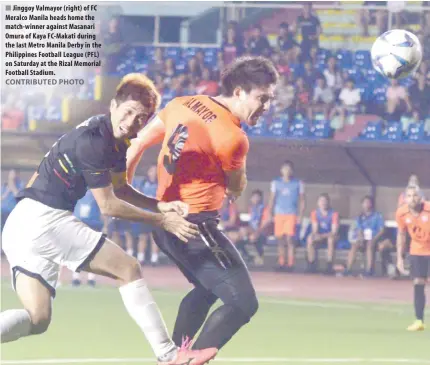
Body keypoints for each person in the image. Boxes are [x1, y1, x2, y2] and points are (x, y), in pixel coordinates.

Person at [0, 73, 217, 365]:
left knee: (38, 319)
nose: (131, 122)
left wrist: (160, 205)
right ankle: (169, 354)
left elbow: (121, 188)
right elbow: (109, 206)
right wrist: (162, 221)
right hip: (43, 219)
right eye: (128, 112)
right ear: (113, 105)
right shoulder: (93, 141)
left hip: (20, 224)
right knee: (128, 269)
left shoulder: (117, 142)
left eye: (141, 118)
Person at [126, 56, 279, 353]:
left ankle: (173, 356)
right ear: (239, 92)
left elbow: (137, 144)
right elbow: (236, 185)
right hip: (194, 227)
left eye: (270, 99)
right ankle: (181, 361)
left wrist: (123, 188)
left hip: (165, 223)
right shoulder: (233, 136)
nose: (266, 106)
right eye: (262, 98)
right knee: (243, 303)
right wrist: (233, 186)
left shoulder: (181, 103)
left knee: (207, 290)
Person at [396, 185, 430, 332]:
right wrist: (400, 257)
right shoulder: (402, 213)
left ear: (421, 197)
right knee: (418, 283)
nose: (412, 199)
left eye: (415, 195)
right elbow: (402, 234)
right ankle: (419, 321)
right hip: (417, 250)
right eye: (409, 196)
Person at [267, 160, 305, 271]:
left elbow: (302, 200)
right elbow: (272, 199)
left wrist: (301, 215)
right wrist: (270, 212)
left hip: (291, 213)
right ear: (281, 170)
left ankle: (291, 263)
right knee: (280, 239)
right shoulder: (276, 182)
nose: (287, 171)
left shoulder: (298, 183)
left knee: (289, 239)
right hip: (279, 213)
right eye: (285, 169)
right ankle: (281, 262)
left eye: (289, 169)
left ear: (292, 171)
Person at [306, 193, 339, 275]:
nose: (323, 203)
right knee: (310, 238)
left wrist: (322, 236)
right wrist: (315, 235)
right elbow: (314, 229)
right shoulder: (314, 213)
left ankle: (329, 265)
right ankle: (311, 264)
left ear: (328, 202)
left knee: (330, 240)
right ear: (318, 203)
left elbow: (334, 231)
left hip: (331, 235)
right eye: (321, 201)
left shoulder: (334, 214)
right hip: (320, 235)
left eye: (325, 201)